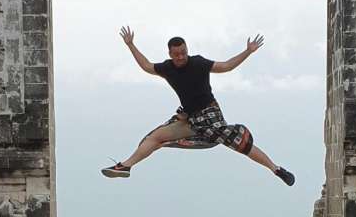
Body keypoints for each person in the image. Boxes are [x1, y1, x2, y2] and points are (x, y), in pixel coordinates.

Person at [101, 26, 295, 186]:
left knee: (240, 143)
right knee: (155, 137)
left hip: (210, 116)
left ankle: (276, 169)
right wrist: (131, 45)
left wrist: (248, 51)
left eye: (183, 53)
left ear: (187, 50)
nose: (180, 57)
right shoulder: (167, 68)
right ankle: (125, 166)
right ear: (170, 53)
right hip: (189, 117)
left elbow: (226, 66)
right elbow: (146, 66)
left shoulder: (198, 63)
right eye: (176, 54)